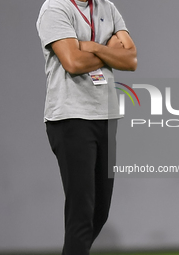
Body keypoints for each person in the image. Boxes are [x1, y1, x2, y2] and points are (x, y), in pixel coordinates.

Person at [36, 0, 137, 254]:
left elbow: (131, 58)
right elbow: (73, 62)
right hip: (71, 118)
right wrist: (108, 50)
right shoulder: (56, 8)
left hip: (105, 116)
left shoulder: (107, 7)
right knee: (81, 215)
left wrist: (91, 47)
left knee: (99, 212)